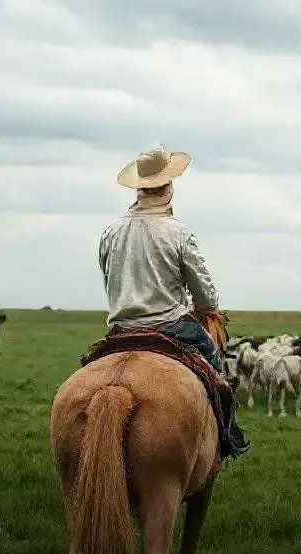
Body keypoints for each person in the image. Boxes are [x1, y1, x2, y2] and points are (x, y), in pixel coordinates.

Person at [98, 144, 249, 459]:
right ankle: (227, 439)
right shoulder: (178, 234)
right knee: (218, 376)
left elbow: (109, 281)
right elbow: (206, 295)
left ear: (139, 189)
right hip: (173, 328)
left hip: (121, 330)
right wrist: (207, 309)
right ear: (169, 187)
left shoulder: (110, 233)